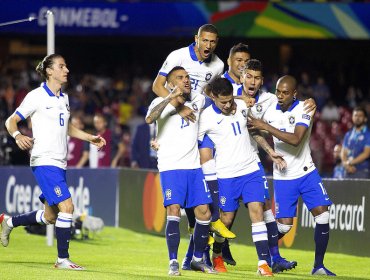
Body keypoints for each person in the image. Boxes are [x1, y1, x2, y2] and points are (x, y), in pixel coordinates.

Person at [1, 54, 106, 270]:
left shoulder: (64, 98)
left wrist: (90, 137)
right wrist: (18, 136)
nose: (66, 69)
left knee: (50, 216)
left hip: (60, 162)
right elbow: (11, 120)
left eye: (66, 66)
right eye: (61, 66)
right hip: (43, 159)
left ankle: (8, 222)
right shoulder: (36, 96)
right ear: (49, 71)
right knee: (67, 206)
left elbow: (66, 127)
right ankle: (62, 260)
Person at [152, 24, 234, 269]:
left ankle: (204, 242)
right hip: (177, 119)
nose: (208, 46)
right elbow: (158, 86)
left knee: (208, 179)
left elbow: (214, 95)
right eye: (205, 40)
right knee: (181, 203)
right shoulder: (177, 57)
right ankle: (187, 250)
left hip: (199, 119)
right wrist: (179, 107)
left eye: (213, 42)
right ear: (196, 39)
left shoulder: (218, 66)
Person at [198, 77, 288, 276]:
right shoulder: (205, 118)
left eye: (230, 100)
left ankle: (263, 263)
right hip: (226, 176)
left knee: (257, 211)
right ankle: (218, 255)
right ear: (213, 97)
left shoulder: (240, 105)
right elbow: (192, 140)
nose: (228, 105)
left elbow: (253, 132)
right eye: (223, 102)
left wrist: (269, 151)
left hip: (250, 170)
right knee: (226, 221)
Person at [248, 75, 336, 276]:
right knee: (284, 228)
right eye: (278, 91)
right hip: (284, 176)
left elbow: (296, 139)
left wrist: (266, 127)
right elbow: (251, 124)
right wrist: (267, 146)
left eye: (285, 92)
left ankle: (318, 266)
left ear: (294, 93)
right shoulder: (269, 110)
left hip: (307, 172)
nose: (280, 95)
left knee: (323, 216)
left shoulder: (304, 108)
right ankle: (265, 254)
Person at [146, 66, 215, 275]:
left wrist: (243, 99)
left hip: (194, 168)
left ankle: (196, 259)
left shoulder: (198, 101)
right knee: (174, 209)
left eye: (187, 77)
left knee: (205, 213)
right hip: (171, 167)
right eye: (179, 78)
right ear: (169, 83)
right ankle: (173, 261)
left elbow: (222, 98)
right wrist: (170, 99)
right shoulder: (159, 102)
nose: (185, 80)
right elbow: (150, 119)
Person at [341, 107, 370, 179]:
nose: (357, 118)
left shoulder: (368, 134)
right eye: (355, 115)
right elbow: (343, 152)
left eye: (360, 116)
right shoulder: (348, 134)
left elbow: (366, 154)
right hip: (347, 170)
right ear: (352, 117)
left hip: (362, 171)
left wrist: (350, 163)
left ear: (365, 118)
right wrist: (346, 165)